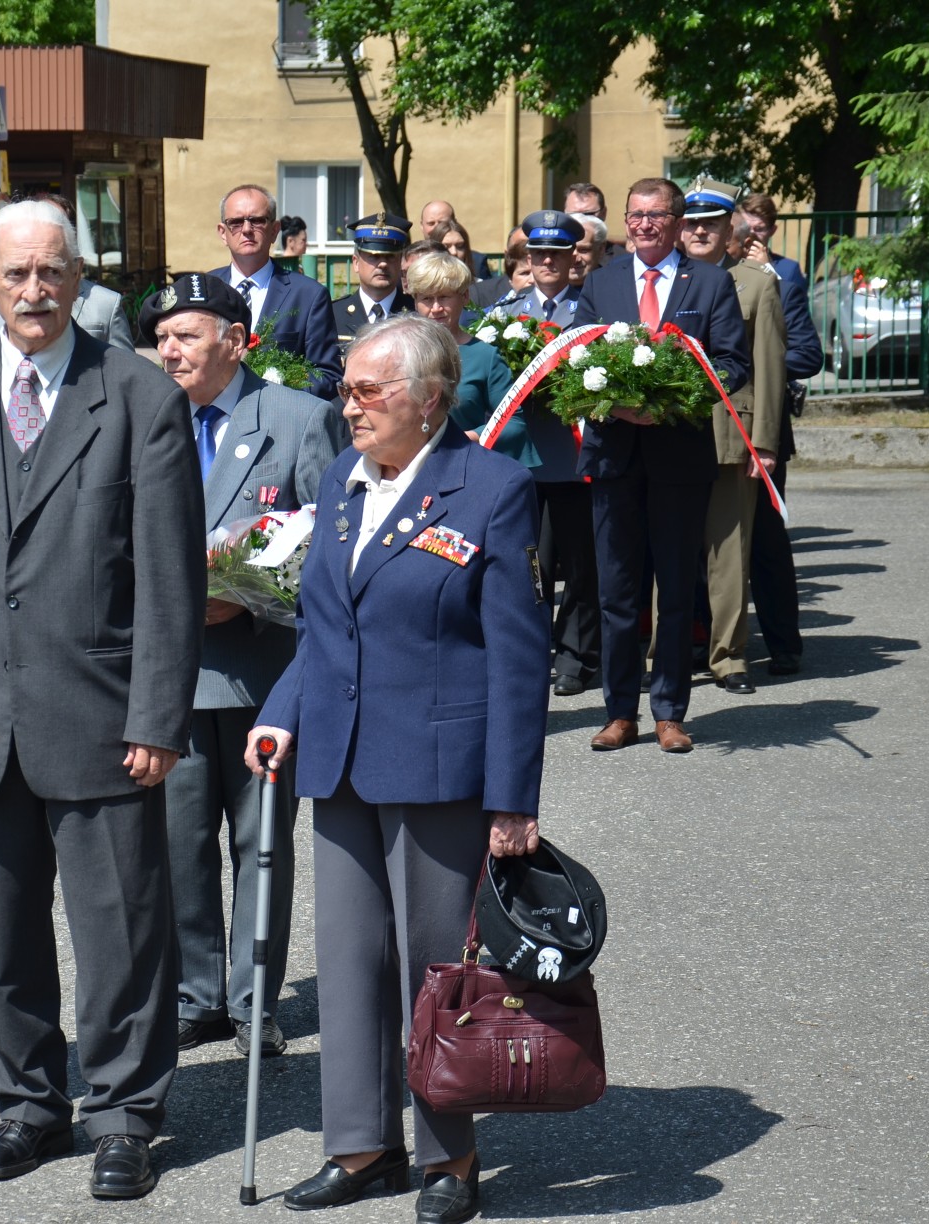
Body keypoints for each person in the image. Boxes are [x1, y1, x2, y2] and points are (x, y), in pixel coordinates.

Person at [0, 200, 205, 1203]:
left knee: (122, 932)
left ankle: (123, 1114)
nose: (34, 290)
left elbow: (169, 577)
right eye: (15, 274)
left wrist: (157, 714)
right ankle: (26, 1103)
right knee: (1, 931)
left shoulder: (140, 398)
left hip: (101, 709)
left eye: (53, 272)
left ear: (80, 281)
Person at [246, 314, 550, 1224]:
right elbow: (325, 628)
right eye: (346, 389)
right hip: (338, 763)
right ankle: (361, 1145)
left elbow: (517, 656)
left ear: (428, 398)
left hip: (436, 768)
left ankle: (448, 1159)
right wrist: (280, 715)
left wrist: (512, 800)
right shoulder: (343, 479)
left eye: (367, 391)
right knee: (346, 964)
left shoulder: (491, 488)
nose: (349, 406)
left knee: (434, 973)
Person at [140, 272, 344, 1060]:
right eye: (161, 337)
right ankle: (199, 997)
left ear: (236, 338)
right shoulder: (144, 419)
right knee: (179, 845)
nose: (169, 350)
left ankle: (256, 1000)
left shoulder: (296, 418)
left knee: (261, 846)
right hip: (173, 675)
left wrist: (252, 597)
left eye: (186, 335)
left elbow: (328, 541)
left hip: (263, 676)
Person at [576, 177, 749, 753]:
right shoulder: (599, 283)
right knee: (617, 591)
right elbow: (573, 358)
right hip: (614, 454)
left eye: (655, 215)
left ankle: (670, 711)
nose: (644, 224)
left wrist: (679, 398)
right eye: (635, 215)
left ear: (676, 221)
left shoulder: (711, 282)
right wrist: (618, 405)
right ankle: (619, 711)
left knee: (675, 588)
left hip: (679, 455)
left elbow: (731, 364)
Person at [667, 177, 786, 696]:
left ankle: (729, 656)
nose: (698, 231)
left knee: (729, 555)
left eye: (709, 224)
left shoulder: (756, 283)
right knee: (665, 550)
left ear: (728, 231)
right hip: (667, 434)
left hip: (729, 435)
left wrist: (763, 443)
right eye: (690, 222)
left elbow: (768, 367)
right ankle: (662, 653)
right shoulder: (664, 279)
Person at [503, 210, 602, 698]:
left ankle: (575, 656)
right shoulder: (506, 313)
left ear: (572, 258)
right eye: (537, 252)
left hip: (576, 458)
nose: (546, 260)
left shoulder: (591, 312)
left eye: (556, 253)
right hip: (524, 460)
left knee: (582, 565)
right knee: (530, 564)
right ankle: (531, 649)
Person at [737, 193, 825, 676]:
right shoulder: (702, 280)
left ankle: (783, 644)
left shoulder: (783, 278)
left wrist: (752, 367)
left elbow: (808, 356)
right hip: (707, 428)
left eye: (757, 231)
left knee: (766, 542)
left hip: (762, 425)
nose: (751, 240)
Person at [210, 185, 344, 398]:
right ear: (223, 233)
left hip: (279, 424)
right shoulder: (207, 290)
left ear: (274, 230)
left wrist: (276, 384)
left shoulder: (308, 296)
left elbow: (328, 376)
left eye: (257, 220)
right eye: (235, 222)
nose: (246, 229)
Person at [0, 194, 136, 351]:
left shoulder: (106, 304)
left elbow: (124, 374)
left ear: (76, 273)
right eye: (17, 273)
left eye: (51, 271)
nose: (33, 295)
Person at [403, 251, 512, 437]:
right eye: (427, 299)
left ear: (465, 296)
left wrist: (469, 438)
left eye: (445, 297)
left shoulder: (485, 356)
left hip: (464, 458)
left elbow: (511, 422)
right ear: (415, 302)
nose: (436, 308)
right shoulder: (400, 352)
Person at [333, 212, 416, 346]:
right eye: (374, 256)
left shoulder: (415, 312)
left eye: (390, 257)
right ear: (356, 263)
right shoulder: (334, 315)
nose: (383, 264)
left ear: (400, 262)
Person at [419, 200, 495, 280]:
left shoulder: (477, 263)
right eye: (431, 223)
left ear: (454, 222)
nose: (437, 228)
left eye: (442, 223)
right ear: (422, 225)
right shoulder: (413, 262)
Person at [564, 182, 627, 260]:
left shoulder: (622, 260)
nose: (581, 220)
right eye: (573, 215)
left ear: (603, 213)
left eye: (588, 214)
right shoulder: (554, 256)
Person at [569, 213, 609, 287]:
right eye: (569, 249)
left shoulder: (616, 287)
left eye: (583, 250)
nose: (575, 259)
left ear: (601, 250)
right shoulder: (544, 290)